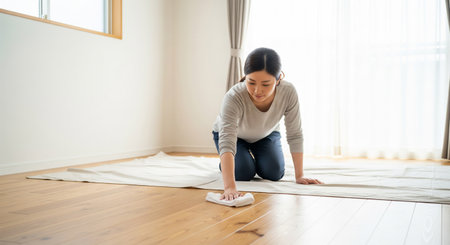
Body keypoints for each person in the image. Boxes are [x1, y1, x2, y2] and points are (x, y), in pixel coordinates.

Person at [212, 47, 323, 201]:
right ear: (245, 77)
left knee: (274, 173)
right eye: (251, 82)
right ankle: (228, 165)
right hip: (234, 137)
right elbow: (227, 139)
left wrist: (300, 175)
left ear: (278, 79)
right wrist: (229, 187)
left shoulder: (288, 92)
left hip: (266, 134)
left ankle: (246, 159)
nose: (258, 90)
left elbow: (295, 133)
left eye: (265, 84)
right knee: (244, 172)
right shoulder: (234, 96)